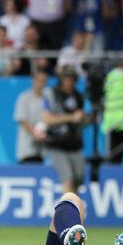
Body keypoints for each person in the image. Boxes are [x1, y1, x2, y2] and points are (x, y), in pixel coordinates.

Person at [38, 66, 85, 194]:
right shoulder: (51, 94)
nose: (70, 82)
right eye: (67, 78)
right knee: (67, 179)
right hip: (57, 143)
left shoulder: (78, 96)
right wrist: (71, 117)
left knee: (78, 180)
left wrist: (84, 119)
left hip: (75, 144)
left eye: (73, 79)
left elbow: (81, 120)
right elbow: (47, 119)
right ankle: (68, 212)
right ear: (61, 79)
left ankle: (73, 209)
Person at [13, 70, 49, 164]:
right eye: (39, 80)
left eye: (43, 81)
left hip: (42, 150)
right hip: (27, 150)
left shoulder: (47, 99)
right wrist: (36, 134)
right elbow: (22, 120)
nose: (41, 84)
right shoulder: (24, 98)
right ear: (33, 81)